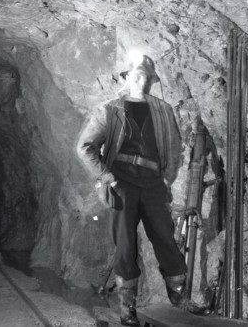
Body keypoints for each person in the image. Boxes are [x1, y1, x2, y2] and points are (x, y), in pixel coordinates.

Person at [76, 56, 204, 326]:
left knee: (166, 239)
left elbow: (173, 146)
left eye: (145, 76)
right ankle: (127, 307)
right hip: (122, 182)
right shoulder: (109, 110)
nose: (140, 80)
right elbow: (85, 147)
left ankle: (179, 297)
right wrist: (108, 178)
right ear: (126, 77)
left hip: (153, 183)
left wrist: (167, 179)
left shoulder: (162, 109)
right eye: (136, 74)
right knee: (125, 245)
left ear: (151, 80)